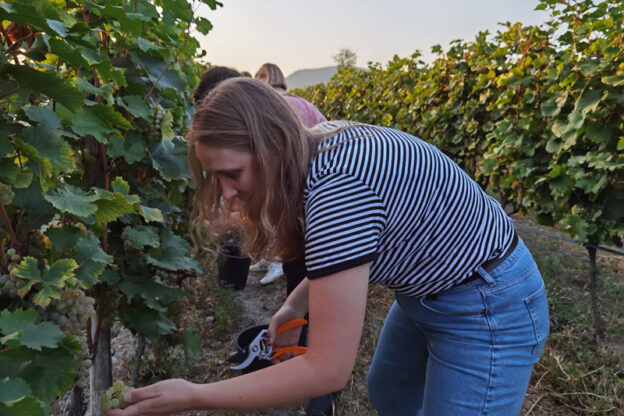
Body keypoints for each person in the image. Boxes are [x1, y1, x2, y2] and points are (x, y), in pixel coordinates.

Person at [108, 77, 550, 416]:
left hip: (488, 304)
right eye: (214, 176)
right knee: (390, 392)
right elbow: (338, 258)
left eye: (232, 173)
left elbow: (327, 369)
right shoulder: (317, 145)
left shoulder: (339, 189)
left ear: (272, 146)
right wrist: (295, 305)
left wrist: (195, 396)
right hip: (426, 293)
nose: (224, 193)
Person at [252, 62, 327, 286]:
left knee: (277, 217)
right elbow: (326, 128)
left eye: (257, 79)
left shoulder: (269, 103)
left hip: (284, 171)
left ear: (264, 77)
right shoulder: (304, 103)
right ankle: (271, 260)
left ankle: (277, 262)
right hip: (313, 173)